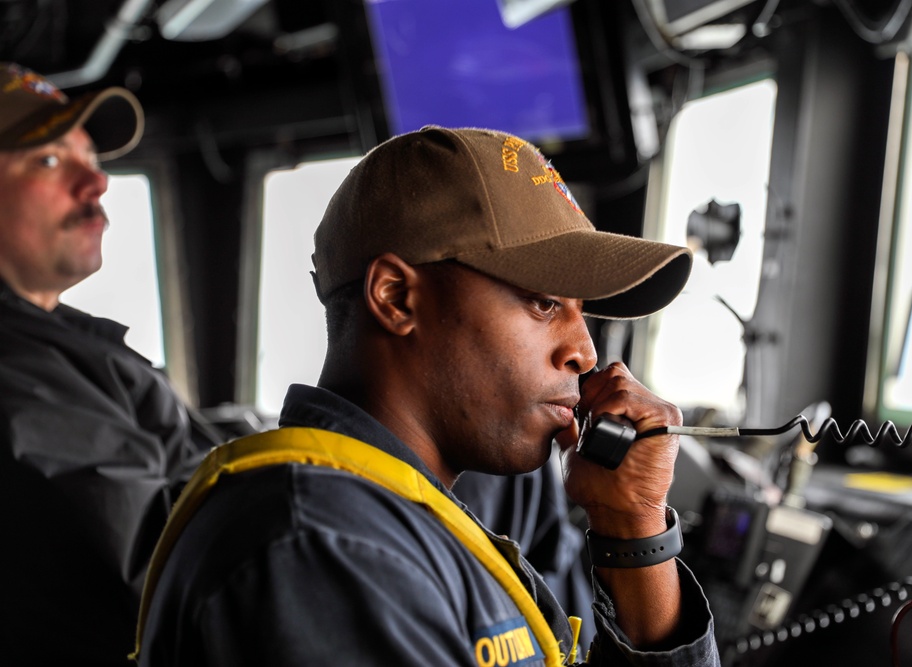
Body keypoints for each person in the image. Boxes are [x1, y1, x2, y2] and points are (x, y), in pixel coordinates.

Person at [133, 126, 720, 666]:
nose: (586, 355)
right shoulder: (322, 548)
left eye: (580, 313)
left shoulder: (395, 517)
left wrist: (632, 525)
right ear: (395, 298)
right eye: (544, 303)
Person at [0, 63, 217, 666]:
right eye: (46, 160)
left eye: (90, 156)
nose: (95, 181)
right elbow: (164, 577)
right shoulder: (14, 373)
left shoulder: (55, 341)